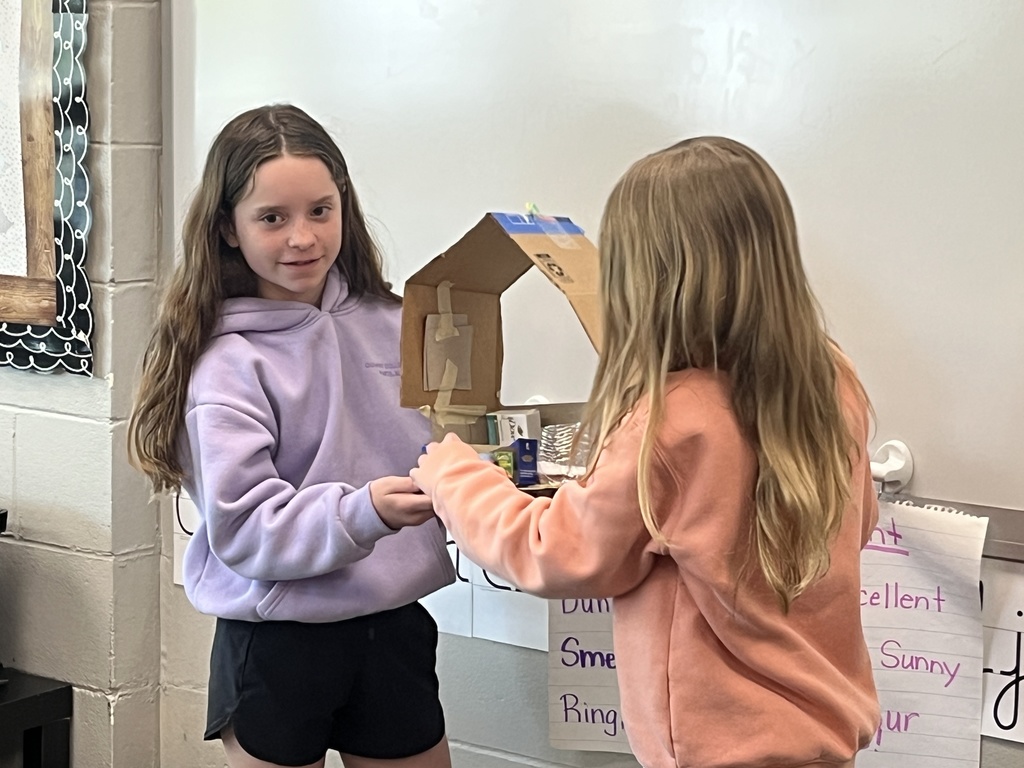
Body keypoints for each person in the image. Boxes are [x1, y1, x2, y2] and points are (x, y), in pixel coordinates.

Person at [411, 137, 880, 768]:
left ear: (645, 280)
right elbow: (860, 522)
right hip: (822, 735)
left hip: (716, 748)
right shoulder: (831, 378)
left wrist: (453, 475)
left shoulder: (672, 423)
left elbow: (556, 553)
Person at [128, 104, 454, 768]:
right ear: (228, 228)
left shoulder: (395, 324)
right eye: (272, 218)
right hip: (276, 640)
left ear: (345, 209)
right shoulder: (227, 364)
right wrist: (365, 511)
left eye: (320, 211)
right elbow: (246, 526)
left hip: (392, 628)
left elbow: (447, 444)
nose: (302, 238)